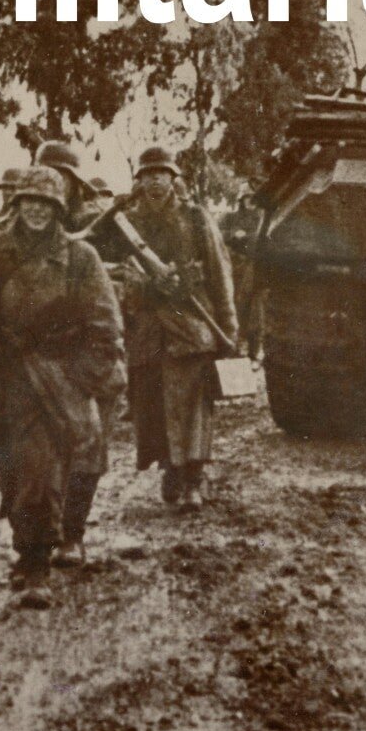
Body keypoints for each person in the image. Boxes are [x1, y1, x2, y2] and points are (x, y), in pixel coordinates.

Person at [0, 167, 124, 608]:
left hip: (57, 376)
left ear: (58, 209)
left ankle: (35, 562)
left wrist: (81, 378)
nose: (36, 211)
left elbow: (106, 324)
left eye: (46, 204)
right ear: (16, 205)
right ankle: (28, 543)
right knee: (10, 471)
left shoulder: (80, 257)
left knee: (39, 468)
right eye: (29, 202)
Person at [98, 147, 239, 510]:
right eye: (148, 175)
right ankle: (170, 469)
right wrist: (142, 286)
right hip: (146, 330)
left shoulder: (195, 217)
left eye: (161, 174)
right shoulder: (127, 222)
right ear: (139, 181)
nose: (155, 181)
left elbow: (219, 272)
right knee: (154, 408)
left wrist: (229, 326)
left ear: (174, 178)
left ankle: (193, 478)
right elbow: (111, 267)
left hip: (191, 327)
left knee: (192, 409)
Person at [31, 140, 114, 564]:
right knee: (33, 452)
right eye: (45, 174)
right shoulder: (18, 222)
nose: (52, 184)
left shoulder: (102, 223)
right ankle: (38, 536)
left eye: (61, 177)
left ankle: (71, 532)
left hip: (88, 349)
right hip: (31, 358)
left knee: (86, 444)